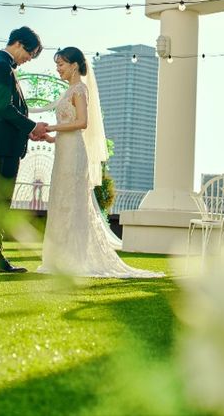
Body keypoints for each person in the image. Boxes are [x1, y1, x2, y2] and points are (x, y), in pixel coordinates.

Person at [36, 47, 163, 278]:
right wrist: (51, 138)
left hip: (74, 154)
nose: (58, 69)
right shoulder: (68, 91)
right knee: (61, 201)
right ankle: (58, 258)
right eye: (57, 65)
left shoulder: (80, 90)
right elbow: (69, 128)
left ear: (74, 65)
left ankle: (75, 258)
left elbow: (82, 123)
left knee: (73, 202)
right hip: (64, 150)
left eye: (61, 64)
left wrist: (52, 127)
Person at [0, 26, 48, 273]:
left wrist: (28, 130)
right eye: (30, 53)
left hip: (4, 143)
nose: (29, 59)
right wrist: (32, 126)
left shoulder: (3, 65)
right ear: (18, 43)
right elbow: (3, 108)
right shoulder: (1, 66)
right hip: (3, 146)